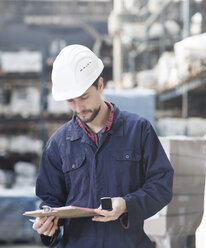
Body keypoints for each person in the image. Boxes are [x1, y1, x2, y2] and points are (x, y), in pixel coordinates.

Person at [32, 44, 174, 247]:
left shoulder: (138, 130)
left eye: (84, 97)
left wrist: (127, 205)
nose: (78, 108)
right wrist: (47, 223)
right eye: (70, 101)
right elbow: (50, 200)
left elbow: (161, 186)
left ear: (100, 85)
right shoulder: (58, 144)